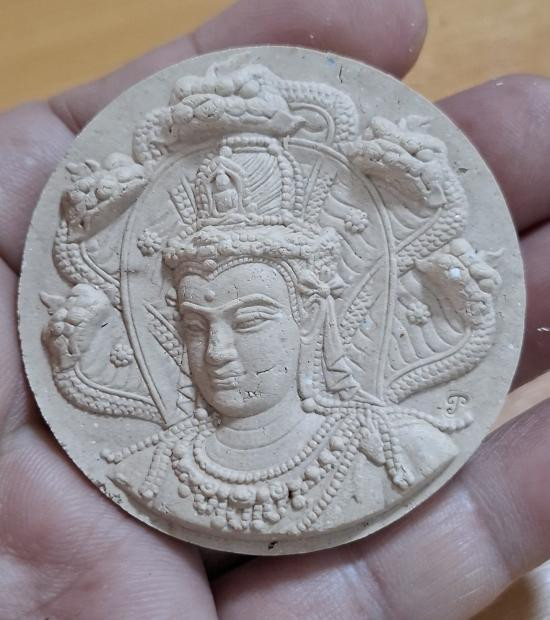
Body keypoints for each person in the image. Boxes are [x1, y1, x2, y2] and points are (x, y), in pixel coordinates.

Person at [1, 0, 549, 617]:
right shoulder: (145, 468)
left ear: (311, 316)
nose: (218, 352)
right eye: (195, 325)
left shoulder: (400, 449)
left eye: (250, 319)